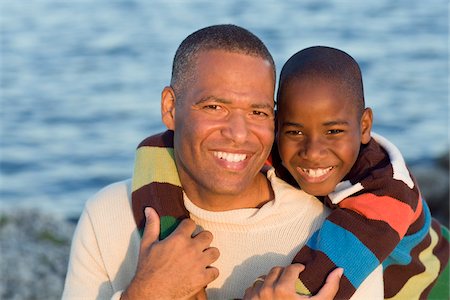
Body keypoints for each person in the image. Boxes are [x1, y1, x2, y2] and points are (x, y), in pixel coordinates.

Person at [62, 26, 382, 299]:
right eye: (215, 107)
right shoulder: (108, 214)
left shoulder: (333, 239)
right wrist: (146, 293)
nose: (238, 134)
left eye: (257, 112)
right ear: (171, 108)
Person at [270, 45, 449, 299]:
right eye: (295, 132)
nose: (312, 152)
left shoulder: (388, 193)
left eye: (333, 132)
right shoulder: (285, 148)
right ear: (276, 126)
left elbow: (319, 283)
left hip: (437, 281)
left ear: (364, 126)